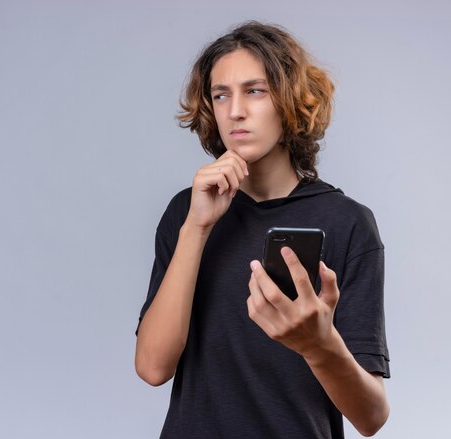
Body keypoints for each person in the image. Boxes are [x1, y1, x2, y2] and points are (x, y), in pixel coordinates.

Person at [135, 21, 390, 438]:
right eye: (221, 95)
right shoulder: (187, 211)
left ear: (290, 100)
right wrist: (197, 228)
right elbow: (152, 367)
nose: (235, 110)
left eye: (255, 90)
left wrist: (317, 344)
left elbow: (371, 416)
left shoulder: (348, 223)